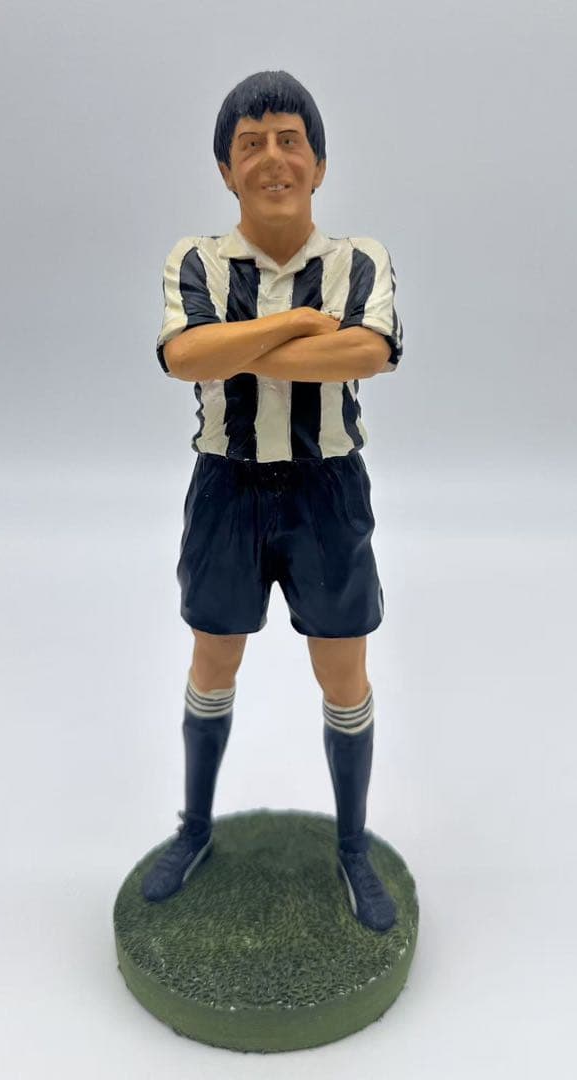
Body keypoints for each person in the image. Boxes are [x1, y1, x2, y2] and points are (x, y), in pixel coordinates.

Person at [141, 70, 404, 933]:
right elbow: (184, 358)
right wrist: (295, 326)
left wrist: (236, 344)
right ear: (226, 170)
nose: (272, 158)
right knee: (213, 658)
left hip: (328, 491)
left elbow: (367, 353)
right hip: (227, 487)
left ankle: (352, 847)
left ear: (319, 163)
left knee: (343, 670)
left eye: (289, 140)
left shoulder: (358, 260)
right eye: (250, 144)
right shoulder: (197, 260)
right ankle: (194, 828)